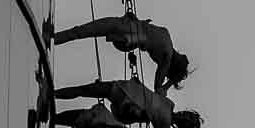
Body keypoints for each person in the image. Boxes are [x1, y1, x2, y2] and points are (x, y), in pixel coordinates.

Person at [51, 14, 193, 93]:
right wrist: (169, 84)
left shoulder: (166, 33)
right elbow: (158, 88)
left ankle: (53, 38)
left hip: (124, 24)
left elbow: (147, 31)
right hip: (126, 39)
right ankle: (52, 40)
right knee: (82, 33)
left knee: (81, 31)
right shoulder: (166, 59)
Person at [52, 77, 203, 128]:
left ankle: (54, 109)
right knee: (85, 90)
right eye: (189, 115)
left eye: (188, 121)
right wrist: (174, 79)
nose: (185, 116)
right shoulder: (169, 103)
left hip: (130, 109)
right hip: (128, 90)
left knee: (87, 91)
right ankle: (53, 94)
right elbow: (161, 90)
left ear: (183, 126)